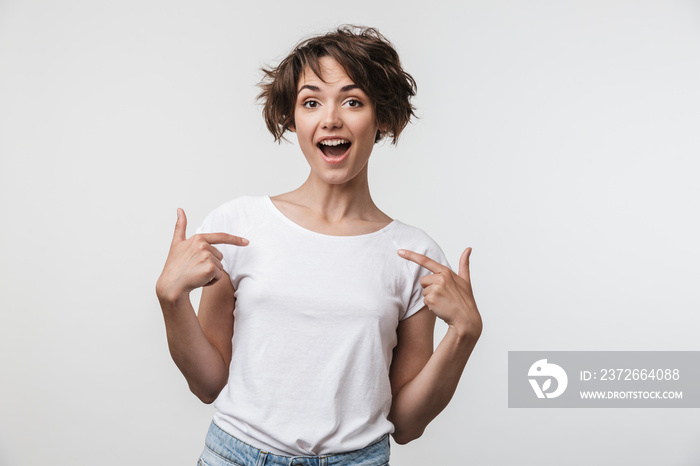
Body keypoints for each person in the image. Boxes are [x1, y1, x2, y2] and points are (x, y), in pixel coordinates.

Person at [155, 25, 483, 466]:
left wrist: (464, 335)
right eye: (311, 102)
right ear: (293, 119)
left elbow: (405, 425)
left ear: (381, 117)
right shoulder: (239, 226)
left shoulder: (413, 254)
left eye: (352, 101)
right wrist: (171, 300)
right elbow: (208, 384)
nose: (331, 119)